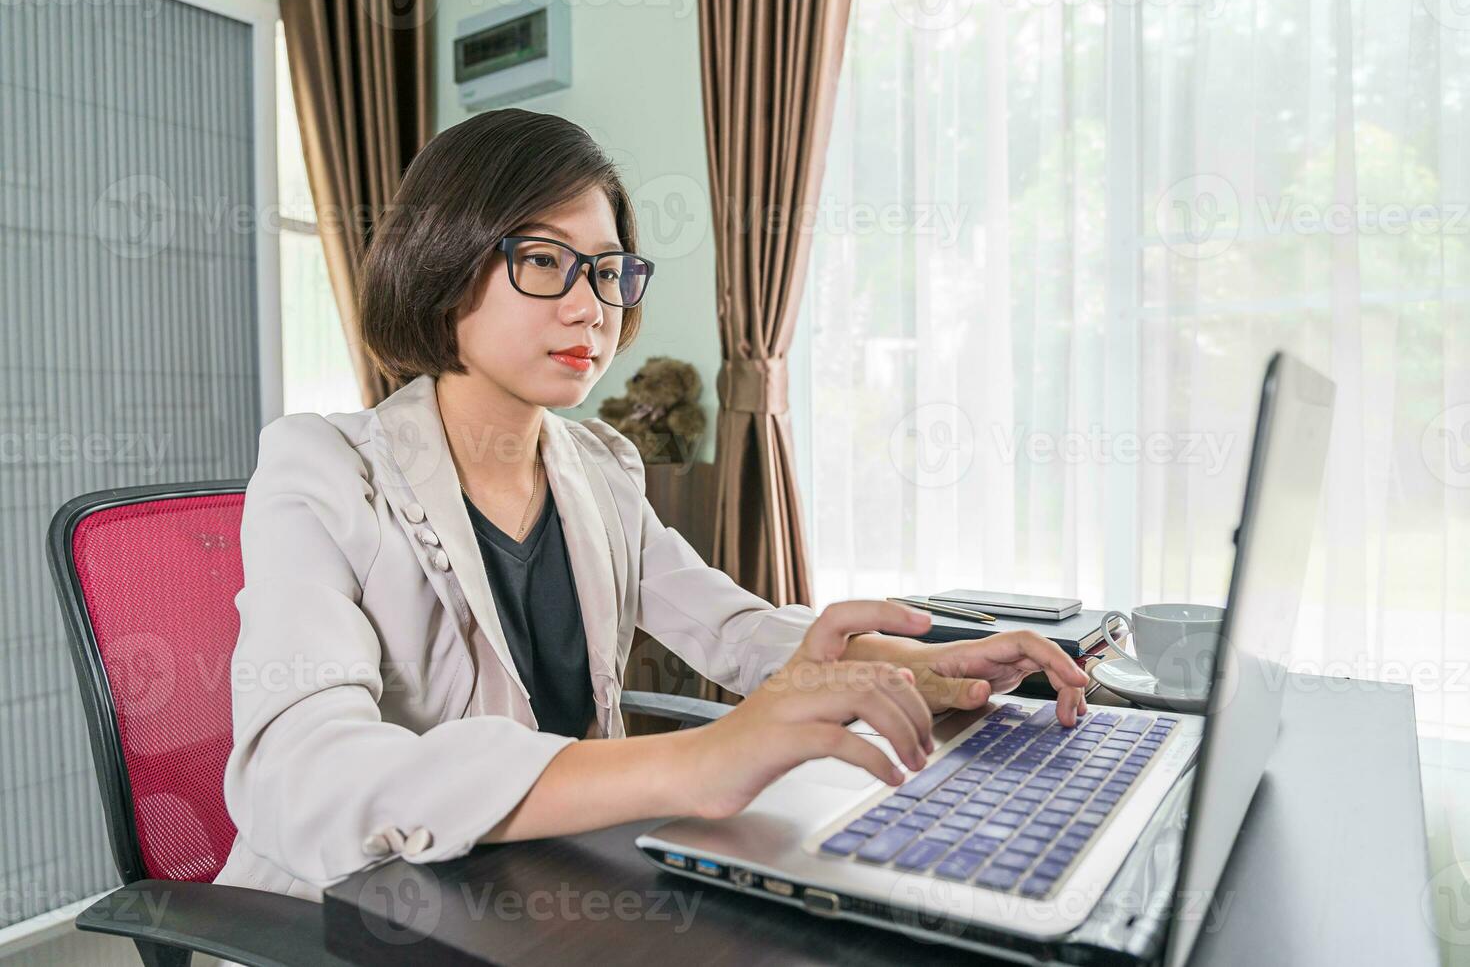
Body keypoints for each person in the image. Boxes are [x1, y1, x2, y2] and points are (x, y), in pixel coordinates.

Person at [212, 108, 1089, 901]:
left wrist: (929, 664)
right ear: (442, 268)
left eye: (606, 270)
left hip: (546, 887)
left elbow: (734, 632)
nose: (591, 307)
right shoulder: (321, 467)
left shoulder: (600, 465)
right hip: (362, 913)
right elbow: (302, 776)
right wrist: (697, 762)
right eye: (545, 261)